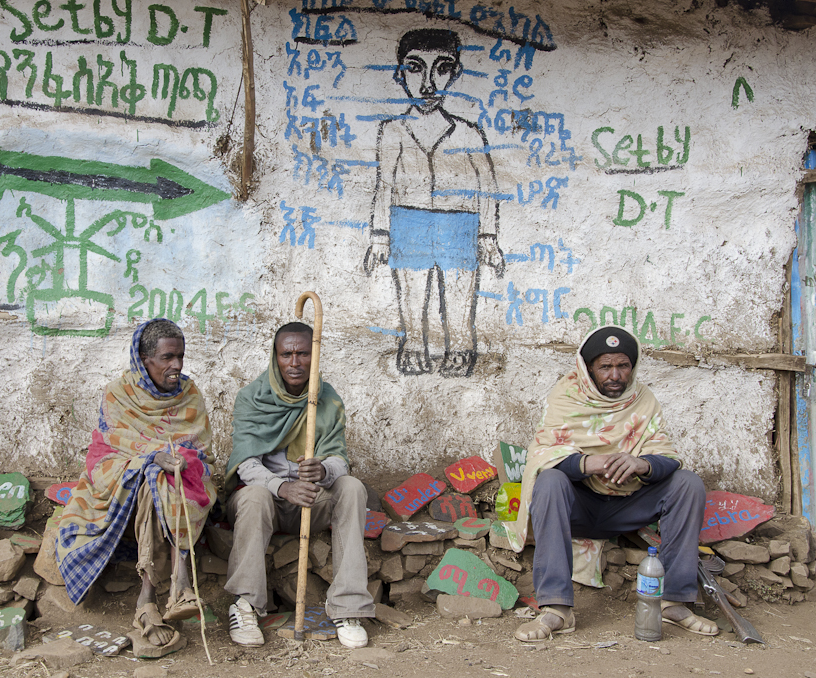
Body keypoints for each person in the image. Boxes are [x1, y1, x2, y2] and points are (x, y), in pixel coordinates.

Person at [510, 325, 717, 641]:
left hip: (629, 505)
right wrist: (585, 463)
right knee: (550, 480)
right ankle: (556, 609)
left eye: (623, 365)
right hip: (580, 505)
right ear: (589, 368)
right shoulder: (565, 396)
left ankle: (674, 601)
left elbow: (667, 455)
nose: (615, 375)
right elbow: (543, 453)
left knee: (688, 483)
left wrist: (641, 463)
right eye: (605, 366)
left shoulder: (643, 400)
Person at [57, 319, 217, 649]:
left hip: (182, 481)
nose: (176, 366)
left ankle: (149, 602)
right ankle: (176, 584)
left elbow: (201, 450)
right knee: (150, 473)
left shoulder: (190, 394)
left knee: (162, 475)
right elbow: (106, 452)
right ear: (145, 360)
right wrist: (152, 458)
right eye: (167, 358)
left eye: (181, 357)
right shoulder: (120, 395)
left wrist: (180, 458)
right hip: (124, 484)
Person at [223, 322, 374, 648]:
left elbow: (339, 459)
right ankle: (245, 604)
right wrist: (281, 487)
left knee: (352, 487)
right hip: (269, 501)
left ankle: (348, 608)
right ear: (275, 358)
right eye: (286, 354)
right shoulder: (252, 398)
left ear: (314, 355)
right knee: (252, 496)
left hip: (311, 499)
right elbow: (246, 465)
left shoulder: (328, 399)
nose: (295, 362)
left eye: (303, 353)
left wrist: (324, 470)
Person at [366, 28, 505, 377]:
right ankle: (414, 343)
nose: (428, 84)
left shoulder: (468, 133)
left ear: (454, 73)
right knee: (412, 290)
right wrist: (380, 235)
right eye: (415, 69)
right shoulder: (393, 130)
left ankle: (459, 348)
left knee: (459, 289)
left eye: (441, 69)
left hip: (459, 222)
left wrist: (487, 237)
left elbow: (486, 185)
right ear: (401, 74)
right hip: (408, 219)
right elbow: (384, 184)